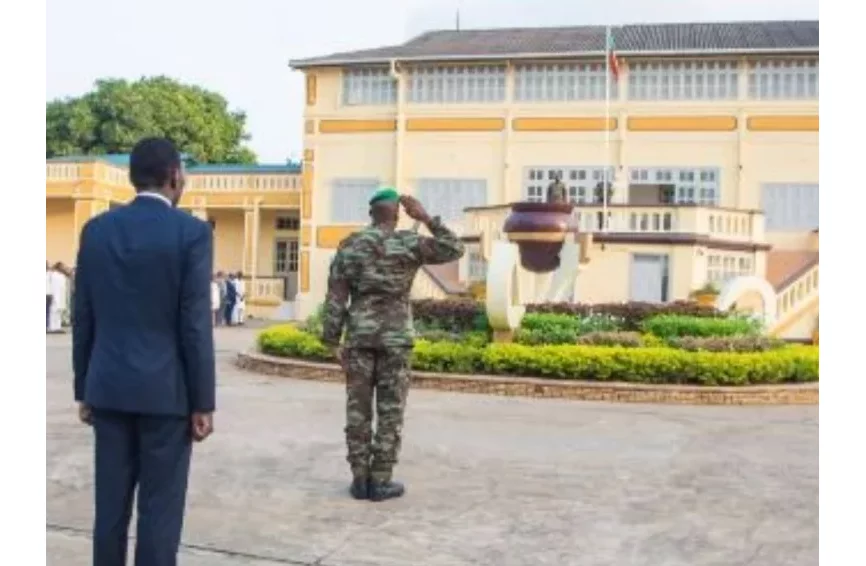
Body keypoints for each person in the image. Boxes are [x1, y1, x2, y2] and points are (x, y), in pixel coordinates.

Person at [72, 137, 216, 566]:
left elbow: (84, 315)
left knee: (109, 510)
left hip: (109, 389)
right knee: (159, 512)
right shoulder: (191, 233)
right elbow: (194, 324)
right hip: (166, 395)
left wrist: (83, 387)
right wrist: (203, 401)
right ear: (174, 176)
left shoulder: (96, 230)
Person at [321, 189, 465, 502]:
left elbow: (336, 296)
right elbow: (454, 248)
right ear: (397, 215)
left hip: (359, 338)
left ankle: (359, 479)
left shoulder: (350, 246)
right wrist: (425, 217)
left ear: (371, 213)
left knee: (357, 411)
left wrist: (333, 340)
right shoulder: (408, 243)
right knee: (390, 411)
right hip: (396, 339)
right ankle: (381, 480)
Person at [47, 262, 68, 333]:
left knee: (58, 313)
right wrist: (55, 297)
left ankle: (57, 327)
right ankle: (53, 328)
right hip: (56, 295)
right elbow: (54, 287)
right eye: (62, 267)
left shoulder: (60, 275)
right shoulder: (54, 275)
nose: (64, 268)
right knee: (54, 312)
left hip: (60, 296)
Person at [46, 261, 53, 331]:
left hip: (48, 294)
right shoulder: (49, 274)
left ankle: (46, 325)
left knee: (47, 311)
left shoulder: (50, 274)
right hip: (48, 294)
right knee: (47, 311)